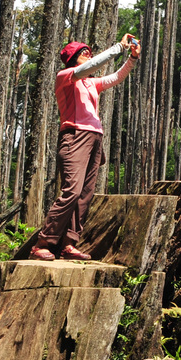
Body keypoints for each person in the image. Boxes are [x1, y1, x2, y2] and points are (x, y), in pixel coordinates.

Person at [31, 33, 140, 261]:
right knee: (72, 191)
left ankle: (69, 244)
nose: (88, 55)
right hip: (75, 136)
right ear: (72, 58)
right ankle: (43, 243)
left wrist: (132, 58)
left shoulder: (90, 82)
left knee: (85, 195)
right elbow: (92, 66)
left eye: (89, 52)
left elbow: (116, 77)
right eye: (83, 52)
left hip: (95, 138)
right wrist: (119, 47)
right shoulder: (65, 76)